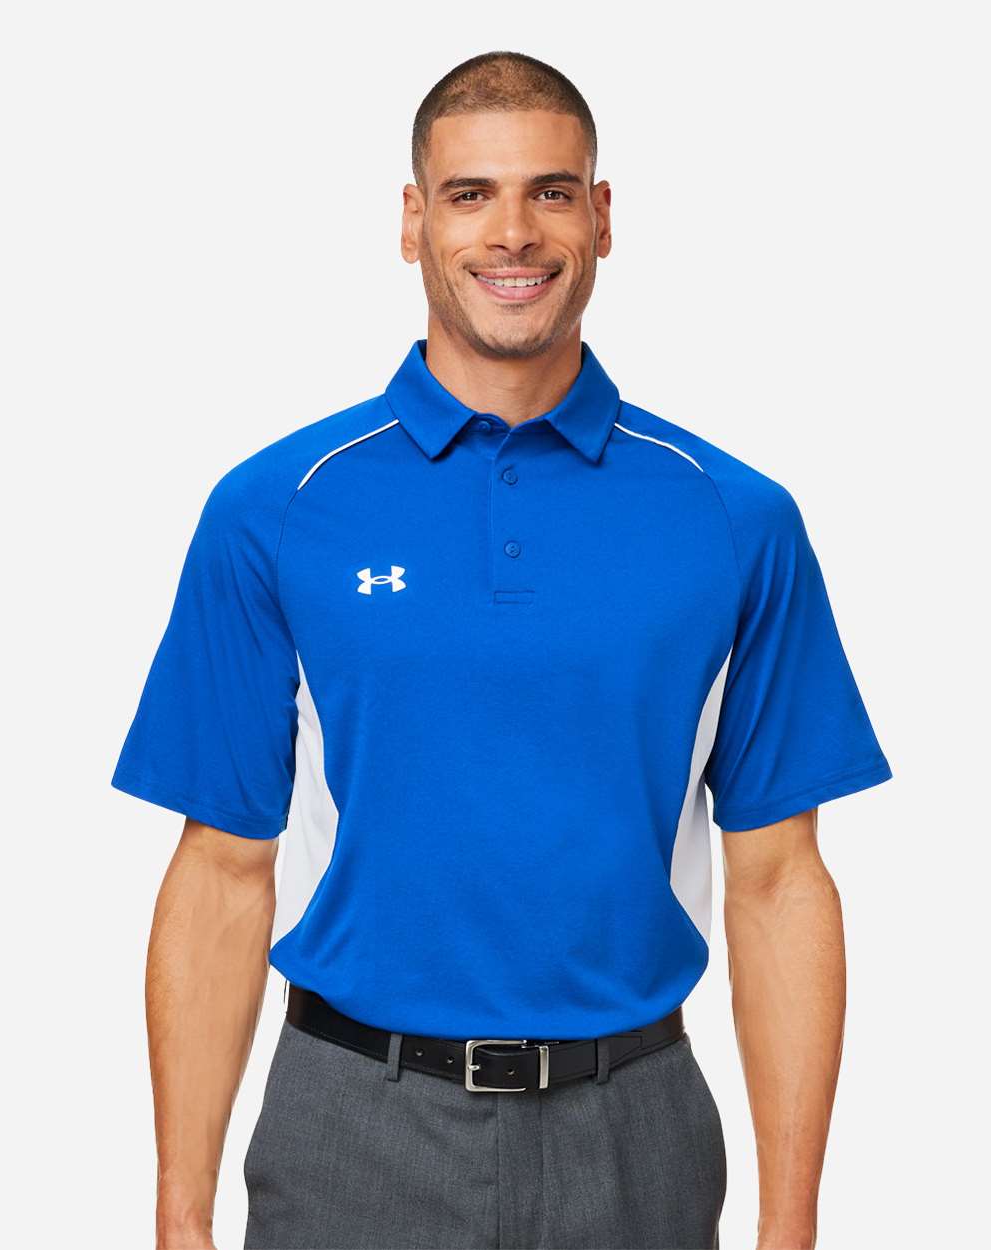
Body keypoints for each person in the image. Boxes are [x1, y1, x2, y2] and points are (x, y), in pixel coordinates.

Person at [112, 49, 893, 1250]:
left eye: (551, 192)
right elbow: (221, 868)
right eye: (470, 193)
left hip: (635, 1127)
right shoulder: (277, 507)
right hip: (350, 1127)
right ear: (412, 220)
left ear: (602, 217)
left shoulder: (733, 517)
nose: (513, 233)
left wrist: (790, 1227)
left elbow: (780, 878)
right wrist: (179, 1215)